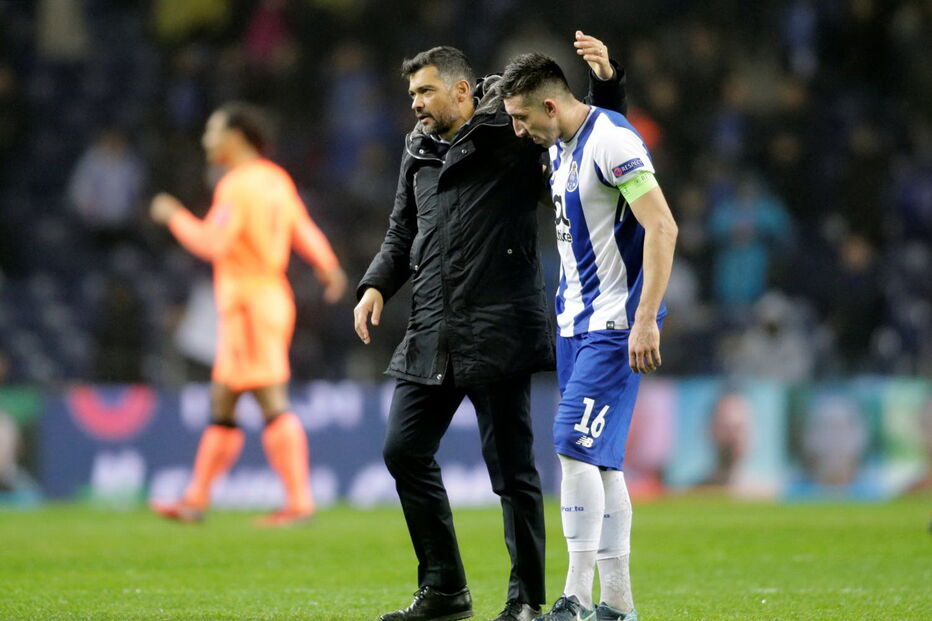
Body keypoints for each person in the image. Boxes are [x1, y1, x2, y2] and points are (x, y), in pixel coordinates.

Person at [353, 33, 626, 621]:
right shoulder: (417, 149)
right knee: (403, 451)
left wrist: (605, 85)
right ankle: (445, 589)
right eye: (410, 94)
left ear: (459, 89)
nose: (416, 103)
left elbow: (585, 139)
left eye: (425, 91)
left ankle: (525, 599)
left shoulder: (512, 131)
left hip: (497, 327)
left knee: (512, 473)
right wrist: (375, 284)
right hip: (432, 329)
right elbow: (403, 231)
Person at [500, 53, 678, 621]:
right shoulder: (558, 144)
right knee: (601, 463)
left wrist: (645, 317)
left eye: (523, 118)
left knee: (571, 446)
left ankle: (575, 595)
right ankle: (618, 603)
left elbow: (662, 225)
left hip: (614, 324)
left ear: (551, 105)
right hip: (573, 324)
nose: (518, 131)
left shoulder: (613, 142)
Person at [149, 102, 347, 527]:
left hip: (249, 304)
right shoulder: (275, 179)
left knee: (270, 398)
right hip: (269, 298)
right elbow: (303, 227)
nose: (206, 140)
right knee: (224, 397)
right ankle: (195, 500)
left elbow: (212, 244)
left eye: (212, 130)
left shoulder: (237, 185)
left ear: (235, 136)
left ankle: (297, 503)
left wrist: (175, 217)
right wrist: (327, 264)